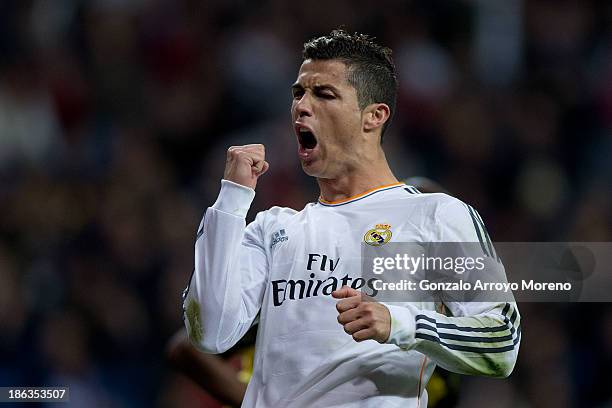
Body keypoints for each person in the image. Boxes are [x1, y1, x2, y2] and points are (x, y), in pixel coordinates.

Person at [182, 29, 520, 407]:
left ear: (374, 116)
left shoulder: (435, 214)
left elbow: (501, 342)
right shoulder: (272, 229)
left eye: (324, 94)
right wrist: (231, 198)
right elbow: (208, 333)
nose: (301, 107)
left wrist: (400, 324)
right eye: (298, 93)